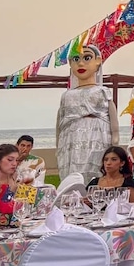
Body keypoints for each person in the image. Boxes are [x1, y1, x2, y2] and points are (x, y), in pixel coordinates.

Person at [56, 44, 118, 182]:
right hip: (71, 140)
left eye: (87, 58)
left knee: (97, 172)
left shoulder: (102, 91)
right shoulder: (67, 95)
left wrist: (115, 137)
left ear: (98, 61)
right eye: (76, 59)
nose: (81, 63)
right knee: (73, 176)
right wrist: (58, 144)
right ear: (70, 63)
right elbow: (59, 121)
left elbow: (112, 116)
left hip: (98, 137)